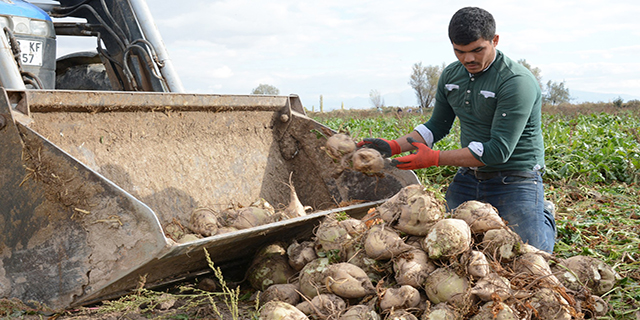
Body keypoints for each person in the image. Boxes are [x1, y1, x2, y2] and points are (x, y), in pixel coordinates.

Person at [358, 7, 556, 252]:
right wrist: (393, 146)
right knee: (449, 244)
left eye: (477, 50)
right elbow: (436, 126)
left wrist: (435, 159)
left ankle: (542, 212)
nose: (468, 59)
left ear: (494, 40)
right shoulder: (452, 75)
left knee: (530, 252)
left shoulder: (515, 81)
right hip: (469, 176)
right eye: (459, 51)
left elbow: (498, 151)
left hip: (514, 176)